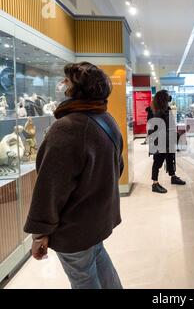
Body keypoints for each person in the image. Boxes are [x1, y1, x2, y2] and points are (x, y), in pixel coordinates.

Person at [23, 62, 124, 289]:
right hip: (96, 220)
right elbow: (118, 169)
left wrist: (40, 233)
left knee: (84, 280)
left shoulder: (67, 127)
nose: (62, 85)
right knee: (102, 267)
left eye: (66, 81)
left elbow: (50, 188)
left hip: (74, 228)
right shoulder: (107, 120)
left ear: (77, 88)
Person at [148, 90, 186, 194]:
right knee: (158, 162)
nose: (169, 98)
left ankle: (173, 177)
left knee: (170, 159)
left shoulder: (166, 110)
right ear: (163, 99)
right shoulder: (159, 112)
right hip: (162, 142)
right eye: (167, 97)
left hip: (169, 140)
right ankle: (154, 183)